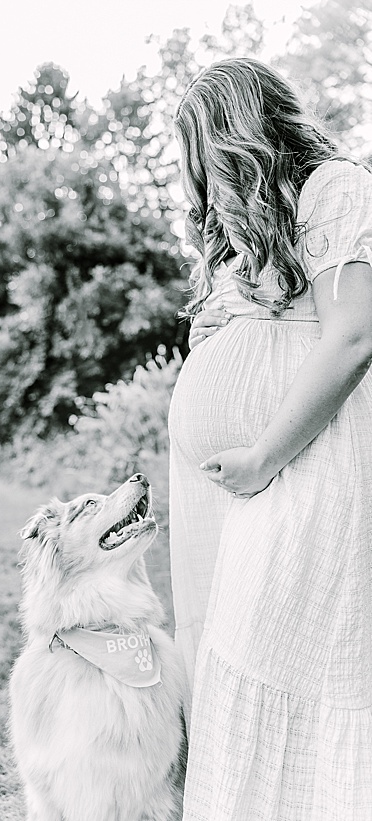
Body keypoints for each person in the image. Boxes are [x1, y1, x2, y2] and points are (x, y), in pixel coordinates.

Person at [168, 56, 372, 819]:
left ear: (240, 136)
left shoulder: (335, 186)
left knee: (279, 657)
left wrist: (259, 455)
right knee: (232, 659)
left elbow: (354, 337)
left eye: (205, 157)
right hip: (247, 486)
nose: (200, 181)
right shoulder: (256, 232)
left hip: (304, 468)